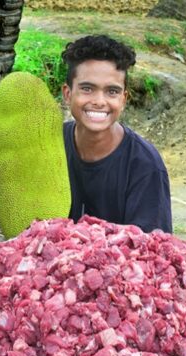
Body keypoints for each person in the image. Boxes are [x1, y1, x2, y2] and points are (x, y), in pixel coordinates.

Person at [61, 35, 173, 233]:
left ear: (124, 99)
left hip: (122, 263)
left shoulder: (146, 165)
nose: (99, 101)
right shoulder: (51, 146)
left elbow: (152, 250)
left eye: (112, 91)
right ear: (68, 94)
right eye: (87, 89)